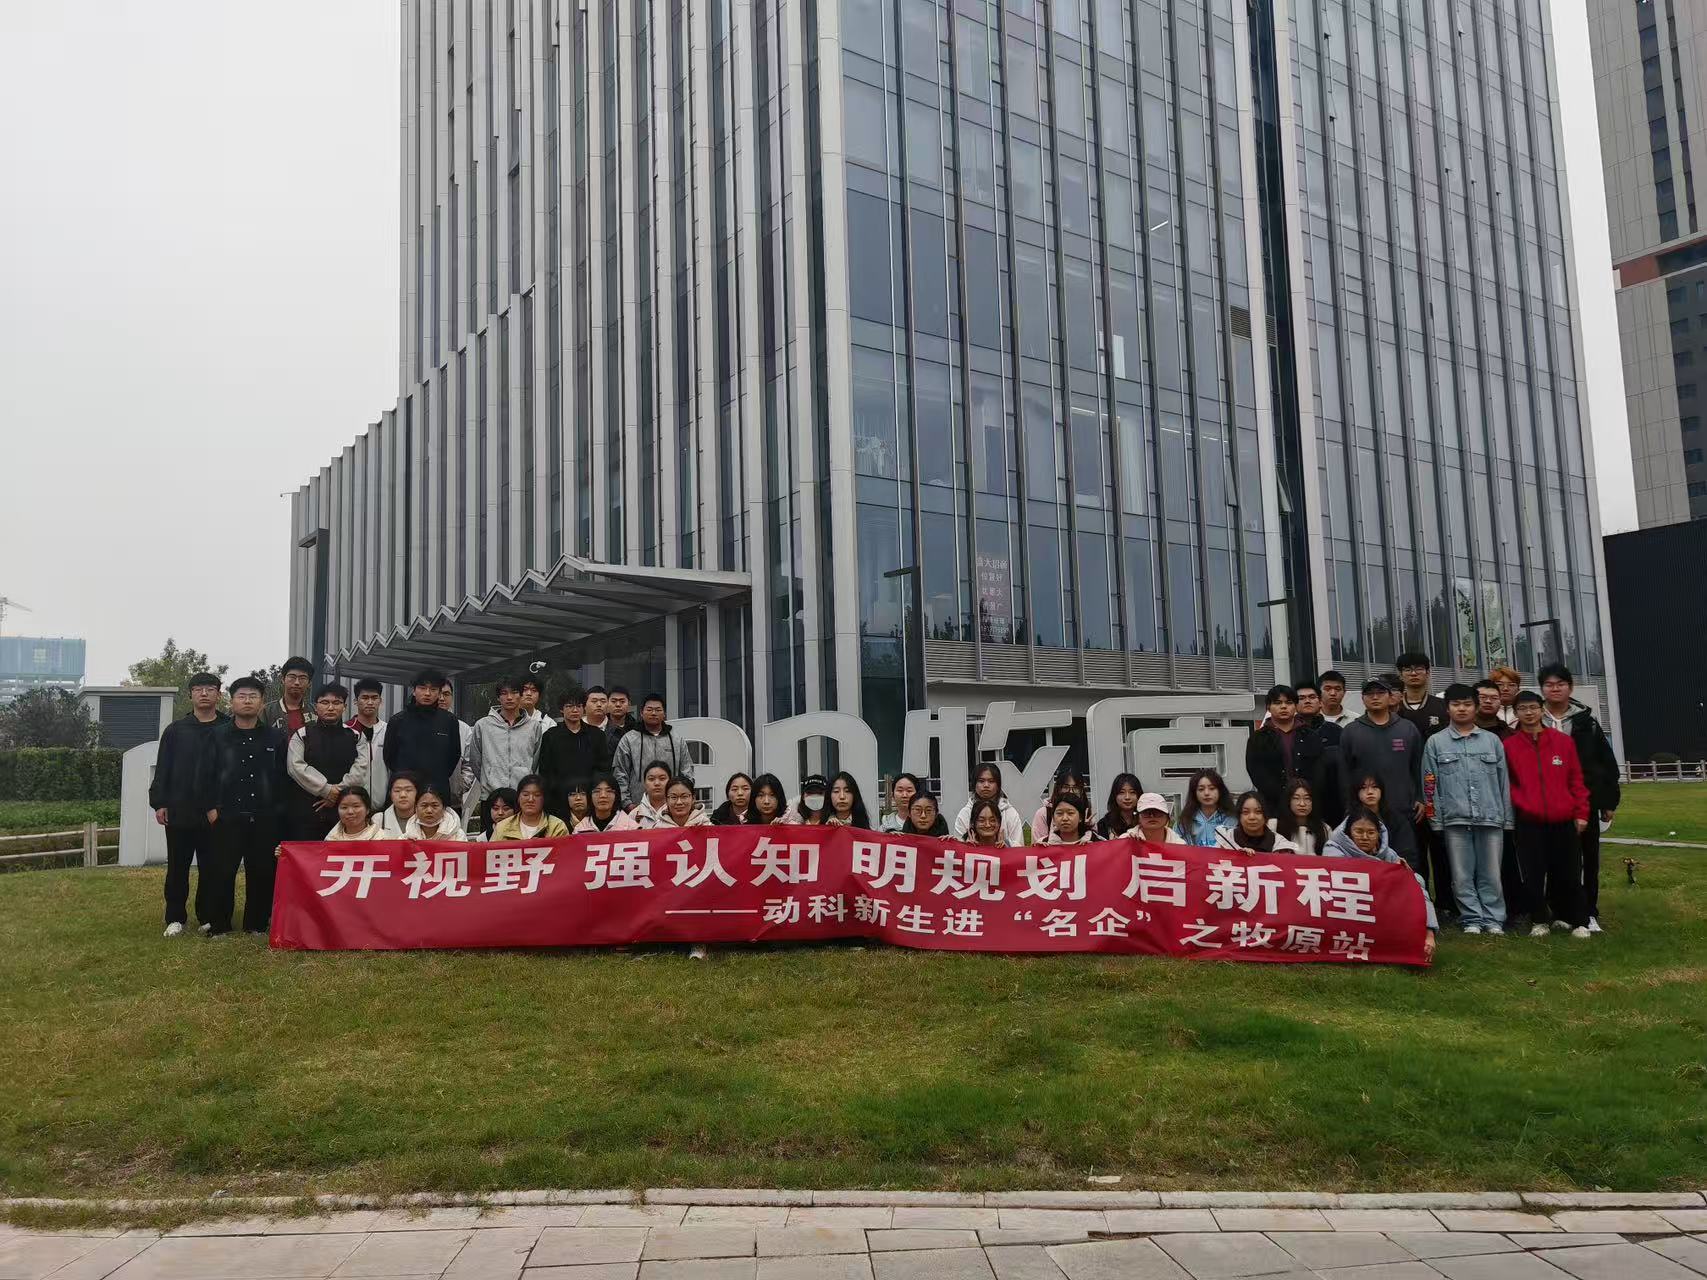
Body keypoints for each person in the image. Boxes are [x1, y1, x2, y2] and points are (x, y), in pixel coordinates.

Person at [1421, 683, 1512, 934]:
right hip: (1454, 819)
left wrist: (1507, 818)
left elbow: (1504, 781)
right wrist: (1435, 818)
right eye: (1456, 704)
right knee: (1461, 874)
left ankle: (1493, 919)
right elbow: (1429, 783)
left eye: (1467, 704)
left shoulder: (1492, 741)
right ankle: (1471, 918)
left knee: (1491, 873)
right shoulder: (1436, 743)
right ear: (1447, 709)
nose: (1462, 709)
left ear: (1475, 707)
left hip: (1490, 817)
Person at [202, 675, 288, 936]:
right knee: (222, 871)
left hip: (264, 816)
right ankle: (219, 925)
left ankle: (257, 924)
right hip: (226, 815)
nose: (247, 701)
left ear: (262, 702)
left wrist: (278, 812)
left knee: (262, 871)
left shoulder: (276, 737)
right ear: (232, 701)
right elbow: (205, 774)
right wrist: (212, 810)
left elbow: (283, 777)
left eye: (253, 696)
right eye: (241, 696)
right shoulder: (216, 736)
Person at [1539, 663, 1622, 934]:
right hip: (1547, 803)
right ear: (1542, 689)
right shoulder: (1535, 720)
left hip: (1583, 801)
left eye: (1560, 684)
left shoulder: (1587, 722)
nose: (1555, 689)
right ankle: (1560, 911)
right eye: (1549, 684)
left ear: (1570, 688)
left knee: (1588, 859)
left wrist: (1608, 801)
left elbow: (1605, 763)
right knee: (1556, 859)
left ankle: (1588, 911)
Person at [1505, 690, 1592, 938]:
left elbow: (1576, 779)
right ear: (1516, 713)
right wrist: (1521, 803)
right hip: (1529, 821)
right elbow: (1507, 783)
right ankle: (1539, 919)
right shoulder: (1509, 746)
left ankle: (1577, 920)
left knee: (1569, 872)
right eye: (1523, 709)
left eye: (1533, 707)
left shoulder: (1563, 742)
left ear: (1542, 709)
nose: (1529, 713)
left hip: (1563, 819)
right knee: (1533, 873)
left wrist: (1582, 813)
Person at [151, 671, 228, 936]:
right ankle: (175, 917)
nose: (204, 694)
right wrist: (159, 802)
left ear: (219, 694)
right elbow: (164, 767)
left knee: (212, 867)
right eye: (198, 689)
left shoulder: (228, 728)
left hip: (215, 812)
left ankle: (207, 915)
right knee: (177, 866)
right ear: (191, 695)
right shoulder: (176, 730)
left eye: (210, 689)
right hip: (179, 808)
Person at [1327, 806, 1439, 962]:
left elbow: (1413, 885)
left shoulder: (1387, 853)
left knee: (1415, 881)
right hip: (1345, 913)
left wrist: (1401, 873)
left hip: (1380, 911)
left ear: (1378, 834)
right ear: (1348, 833)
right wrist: (1385, 872)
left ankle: (1428, 935)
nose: (1365, 837)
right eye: (1358, 831)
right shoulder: (1333, 849)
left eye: (1371, 832)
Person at [1339, 676, 1424, 870]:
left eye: (1380, 692)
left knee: (1407, 865)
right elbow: (1344, 775)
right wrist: (1349, 807)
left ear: (1390, 696)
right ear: (1362, 698)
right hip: (1365, 814)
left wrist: (1420, 797)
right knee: (1368, 868)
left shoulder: (1407, 729)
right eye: (1370, 693)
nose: (1375, 697)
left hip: (1403, 810)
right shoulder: (1351, 731)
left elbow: (1418, 766)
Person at [284, 684, 371, 842]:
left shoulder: (356, 736)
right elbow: (295, 767)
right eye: (324, 702)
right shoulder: (302, 735)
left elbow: (361, 770)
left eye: (337, 703)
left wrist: (336, 792)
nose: (330, 707)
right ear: (316, 706)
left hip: (344, 811)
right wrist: (325, 790)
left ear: (344, 707)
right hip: (307, 813)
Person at [469, 676, 547, 822]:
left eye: (514, 692)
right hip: (491, 796)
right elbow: (475, 761)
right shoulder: (483, 725)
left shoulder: (534, 726)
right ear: (498, 697)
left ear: (521, 695)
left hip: (522, 797)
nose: (509, 697)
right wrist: (489, 778)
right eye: (504, 693)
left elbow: (535, 761)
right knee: (492, 836)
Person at [383, 670, 466, 803]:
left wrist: (438, 775)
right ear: (414, 691)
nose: (427, 693)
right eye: (422, 688)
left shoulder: (449, 721)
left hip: (437, 790)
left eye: (433, 689)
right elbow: (389, 757)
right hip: (405, 791)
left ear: (439, 693)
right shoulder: (397, 721)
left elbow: (454, 755)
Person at [1246, 684, 1328, 813]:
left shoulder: (1310, 735)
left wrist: (1302, 795)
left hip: (1307, 804)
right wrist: (1285, 796)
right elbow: (1257, 773)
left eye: (1289, 702)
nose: (1283, 707)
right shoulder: (1258, 738)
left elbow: (1319, 770)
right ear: (1268, 707)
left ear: (1295, 706)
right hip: (1272, 805)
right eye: (1277, 703)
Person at [536, 687, 615, 820]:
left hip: (590, 799)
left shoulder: (597, 735)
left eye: (578, 706)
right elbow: (546, 772)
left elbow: (603, 769)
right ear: (561, 709)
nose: (574, 710)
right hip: (558, 800)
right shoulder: (551, 736)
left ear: (584, 708)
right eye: (569, 706)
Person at [610, 693, 696, 808]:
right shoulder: (629, 739)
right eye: (649, 709)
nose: (654, 713)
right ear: (641, 713)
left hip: (672, 807)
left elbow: (687, 772)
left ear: (664, 714)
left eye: (658, 710)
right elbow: (620, 773)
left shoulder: (676, 740)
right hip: (637, 806)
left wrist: (684, 799)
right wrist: (627, 804)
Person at [1294, 678, 1345, 828]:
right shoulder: (1289, 733)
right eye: (1301, 698)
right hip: (1298, 803)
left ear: (1321, 702)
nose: (1307, 701)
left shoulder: (1336, 731)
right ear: (1294, 704)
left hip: (1333, 804)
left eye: (1312, 697)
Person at [1344, 771, 1418, 867]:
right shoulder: (1349, 819)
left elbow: (1407, 850)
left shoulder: (1395, 818)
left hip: (1392, 867)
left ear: (1381, 790)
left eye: (1374, 787)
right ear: (1356, 792)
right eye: (1363, 788)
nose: (1370, 792)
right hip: (1358, 868)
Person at [951, 764, 1027, 845]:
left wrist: (1006, 845)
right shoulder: (965, 813)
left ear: (998, 785)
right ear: (974, 784)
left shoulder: (1010, 812)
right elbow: (957, 847)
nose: (986, 785)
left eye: (991, 781)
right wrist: (967, 846)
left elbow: (1019, 847)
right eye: (981, 781)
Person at [1214, 791, 1300, 853]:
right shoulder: (1226, 840)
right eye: (1246, 812)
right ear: (1239, 816)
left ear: (1265, 815)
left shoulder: (1279, 844)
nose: (1252, 817)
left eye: (1258, 812)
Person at [487, 775, 569, 839]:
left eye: (537, 795)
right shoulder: (502, 827)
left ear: (544, 799)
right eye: (525, 795)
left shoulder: (557, 826)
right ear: (518, 798)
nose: (530, 799)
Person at [346, 677, 389, 801]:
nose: (370, 702)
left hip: (382, 803)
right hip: (352, 803)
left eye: (374, 698)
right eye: (365, 698)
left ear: (380, 701)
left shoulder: (388, 730)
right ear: (355, 701)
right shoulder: (345, 730)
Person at [1394, 652, 1450, 738]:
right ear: (1401, 675)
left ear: (1427, 673)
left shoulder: (1443, 705)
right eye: (1408, 670)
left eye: (1419, 669)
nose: (1413, 673)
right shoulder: (1394, 707)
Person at [1032, 770, 1095, 843]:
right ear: (1058, 788)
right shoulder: (1043, 813)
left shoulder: (1087, 812)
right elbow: (1038, 846)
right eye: (1065, 787)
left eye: (1076, 788)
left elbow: (1096, 845)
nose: (1071, 791)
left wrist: (1086, 828)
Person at [1177, 769, 1237, 846]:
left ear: (1220, 791)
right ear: (1194, 793)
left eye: (1212, 788)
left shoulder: (1231, 818)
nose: (1206, 793)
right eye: (1201, 789)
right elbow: (1177, 846)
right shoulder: (1186, 820)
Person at [1272, 778, 1329, 855]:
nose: (1302, 804)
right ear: (1288, 801)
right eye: (1296, 798)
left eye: (1307, 798)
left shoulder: (1325, 829)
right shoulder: (1274, 825)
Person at [264, 656, 314, 735]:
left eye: (302, 678)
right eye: (292, 677)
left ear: (309, 683)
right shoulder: (266, 711)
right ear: (283, 679)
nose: (297, 682)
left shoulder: (315, 712)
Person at [1097, 772, 1144, 839]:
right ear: (1114, 795)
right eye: (1122, 792)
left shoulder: (1145, 820)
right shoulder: (1105, 824)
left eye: (1132, 792)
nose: (1127, 797)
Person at [632, 761, 674, 827]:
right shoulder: (634, 815)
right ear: (644, 783)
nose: (657, 783)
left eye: (662, 778)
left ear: (670, 781)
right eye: (651, 779)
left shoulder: (679, 810)